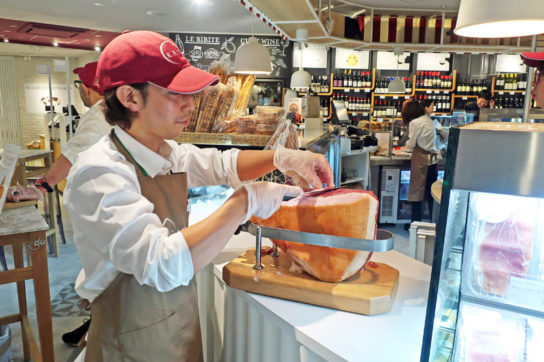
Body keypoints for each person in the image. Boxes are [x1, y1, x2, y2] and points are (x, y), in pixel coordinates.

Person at [63, 30, 333, 361]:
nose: (189, 103)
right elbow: (161, 263)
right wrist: (243, 202)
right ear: (130, 98)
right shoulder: (100, 174)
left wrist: (283, 157)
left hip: (173, 327)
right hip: (126, 342)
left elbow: (221, 164)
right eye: (175, 93)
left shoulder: (163, 151)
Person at [402, 99, 438, 229]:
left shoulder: (415, 122)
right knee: (430, 194)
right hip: (432, 161)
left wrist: (407, 145)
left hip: (421, 159)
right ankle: (434, 223)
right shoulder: (428, 120)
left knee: (416, 192)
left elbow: (412, 144)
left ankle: (415, 224)